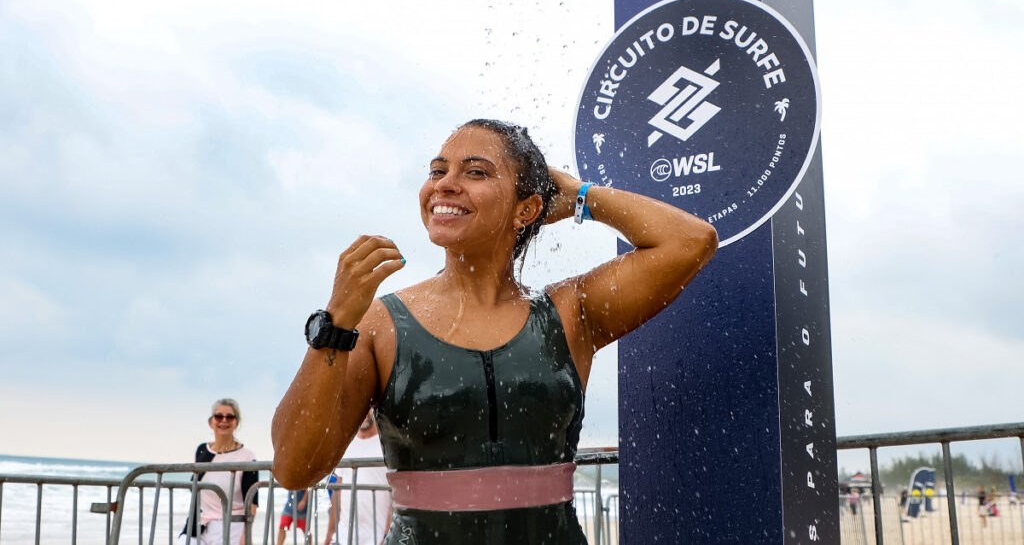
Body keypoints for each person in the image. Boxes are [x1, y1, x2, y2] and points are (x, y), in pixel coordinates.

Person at [271, 118, 718, 544]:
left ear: (527, 208)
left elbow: (690, 240)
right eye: (437, 171)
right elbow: (295, 469)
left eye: (476, 172)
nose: (444, 184)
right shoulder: (379, 325)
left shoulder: (568, 312)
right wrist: (334, 325)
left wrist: (580, 195)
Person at [179, 398, 259, 545]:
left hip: (230, 526)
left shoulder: (247, 456)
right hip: (197, 524)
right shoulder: (202, 450)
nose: (224, 420)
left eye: (229, 417)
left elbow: (252, 502)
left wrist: (245, 538)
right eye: (219, 416)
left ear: (237, 423)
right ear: (211, 422)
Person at [323, 412, 392, 545]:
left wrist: (387, 535)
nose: (364, 412)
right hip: (343, 538)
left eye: (369, 406)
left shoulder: (387, 444)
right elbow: (338, 493)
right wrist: (330, 534)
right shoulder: (346, 444)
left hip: (377, 539)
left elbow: (397, 496)